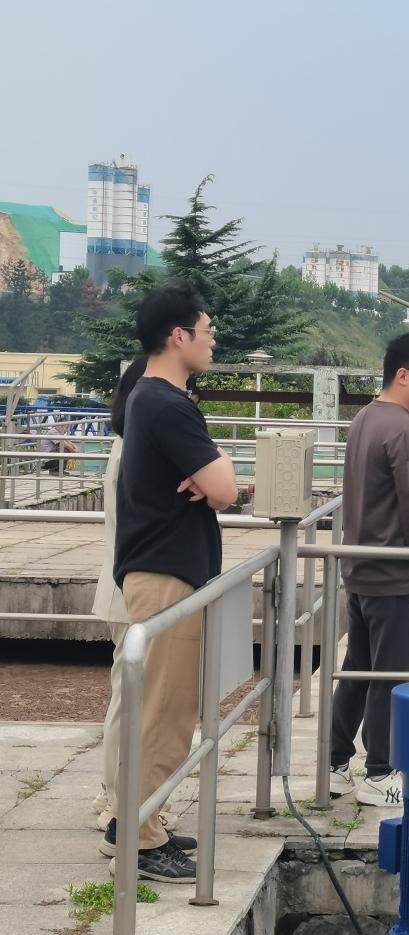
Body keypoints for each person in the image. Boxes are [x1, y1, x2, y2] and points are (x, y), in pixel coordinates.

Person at [107, 281, 238, 883]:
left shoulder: (150, 398)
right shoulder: (166, 403)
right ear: (178, 336)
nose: (213, 342)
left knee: (166, 707)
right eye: (207, 332)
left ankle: (140, 821)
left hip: (164, 570)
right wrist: (217, 471)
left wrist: (208, 475)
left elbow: (212, 484)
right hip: (166, 575)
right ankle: (139, 838)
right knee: (163, 712)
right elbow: (225, 489)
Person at [328, 332, 409, 807]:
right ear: (404, 375)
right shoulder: (404, 432)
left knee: (358, 670)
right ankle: (380, 772)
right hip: (396, 576)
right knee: (392, 676)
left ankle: (334, 764)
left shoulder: (365, 418)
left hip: (361, 570)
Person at [90, 356, 174, 834]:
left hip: (126, 587)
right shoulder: (132, 450)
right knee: (129, 701)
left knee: (130, 698)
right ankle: (116, 800)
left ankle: (121, 795)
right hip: (131, 589)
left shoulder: (128, 445)